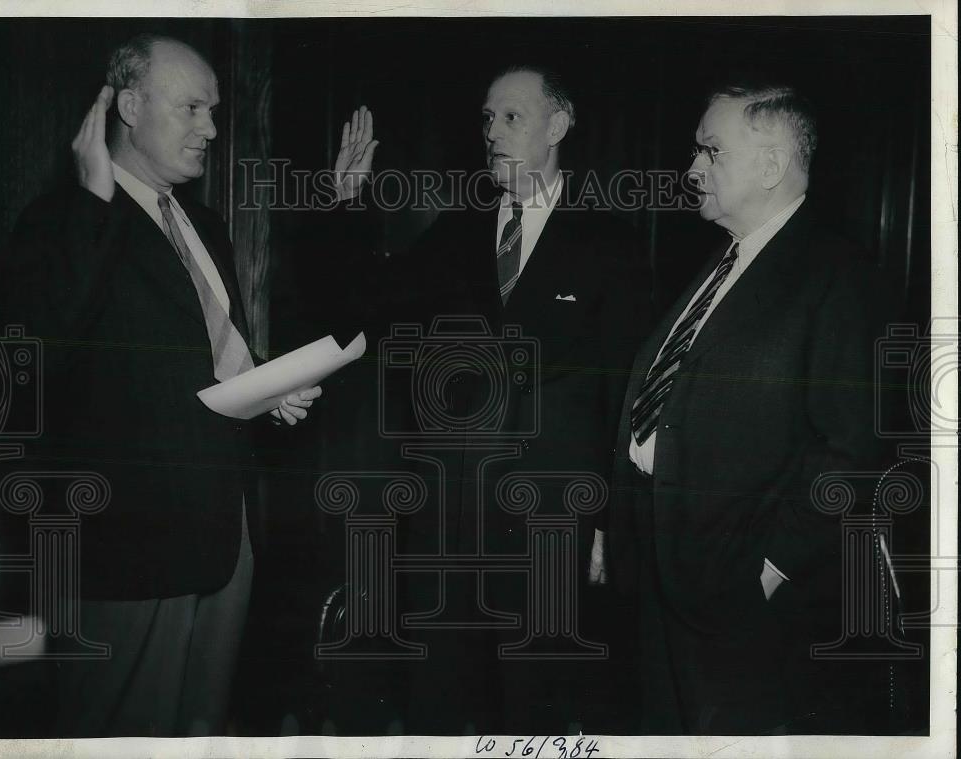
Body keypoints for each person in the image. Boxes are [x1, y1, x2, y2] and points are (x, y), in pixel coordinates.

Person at [0, 33, 320, 736]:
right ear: (131, 106)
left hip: (223, 537)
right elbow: (33, 358)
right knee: (121, 732)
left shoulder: (202, 222)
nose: (210, 127)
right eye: (192, 107)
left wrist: (269, 384)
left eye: (214, 109)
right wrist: (92, 202)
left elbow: (204, 350)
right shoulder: (61, 220)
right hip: (127, 547)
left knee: (198, 729)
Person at [321, 65, 652, 733]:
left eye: (511, 118)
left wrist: (611, 526)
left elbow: (629, 396)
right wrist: (347, 203)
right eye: (485, 119)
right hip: (446, 527)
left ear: (557, 126)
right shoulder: (454, 234)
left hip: (550, 531)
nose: (491, 134)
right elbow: (364, 308)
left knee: (538, 709)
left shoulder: (611, 244)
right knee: (438, 707)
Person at [604, 83, 884, 733]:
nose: (692, 168)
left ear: (770, 164)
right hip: (660, 568)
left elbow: (851, 450)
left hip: (736, 593)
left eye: (711, 150)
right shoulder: (723, 261)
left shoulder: (837, 273)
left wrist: (769, 568)